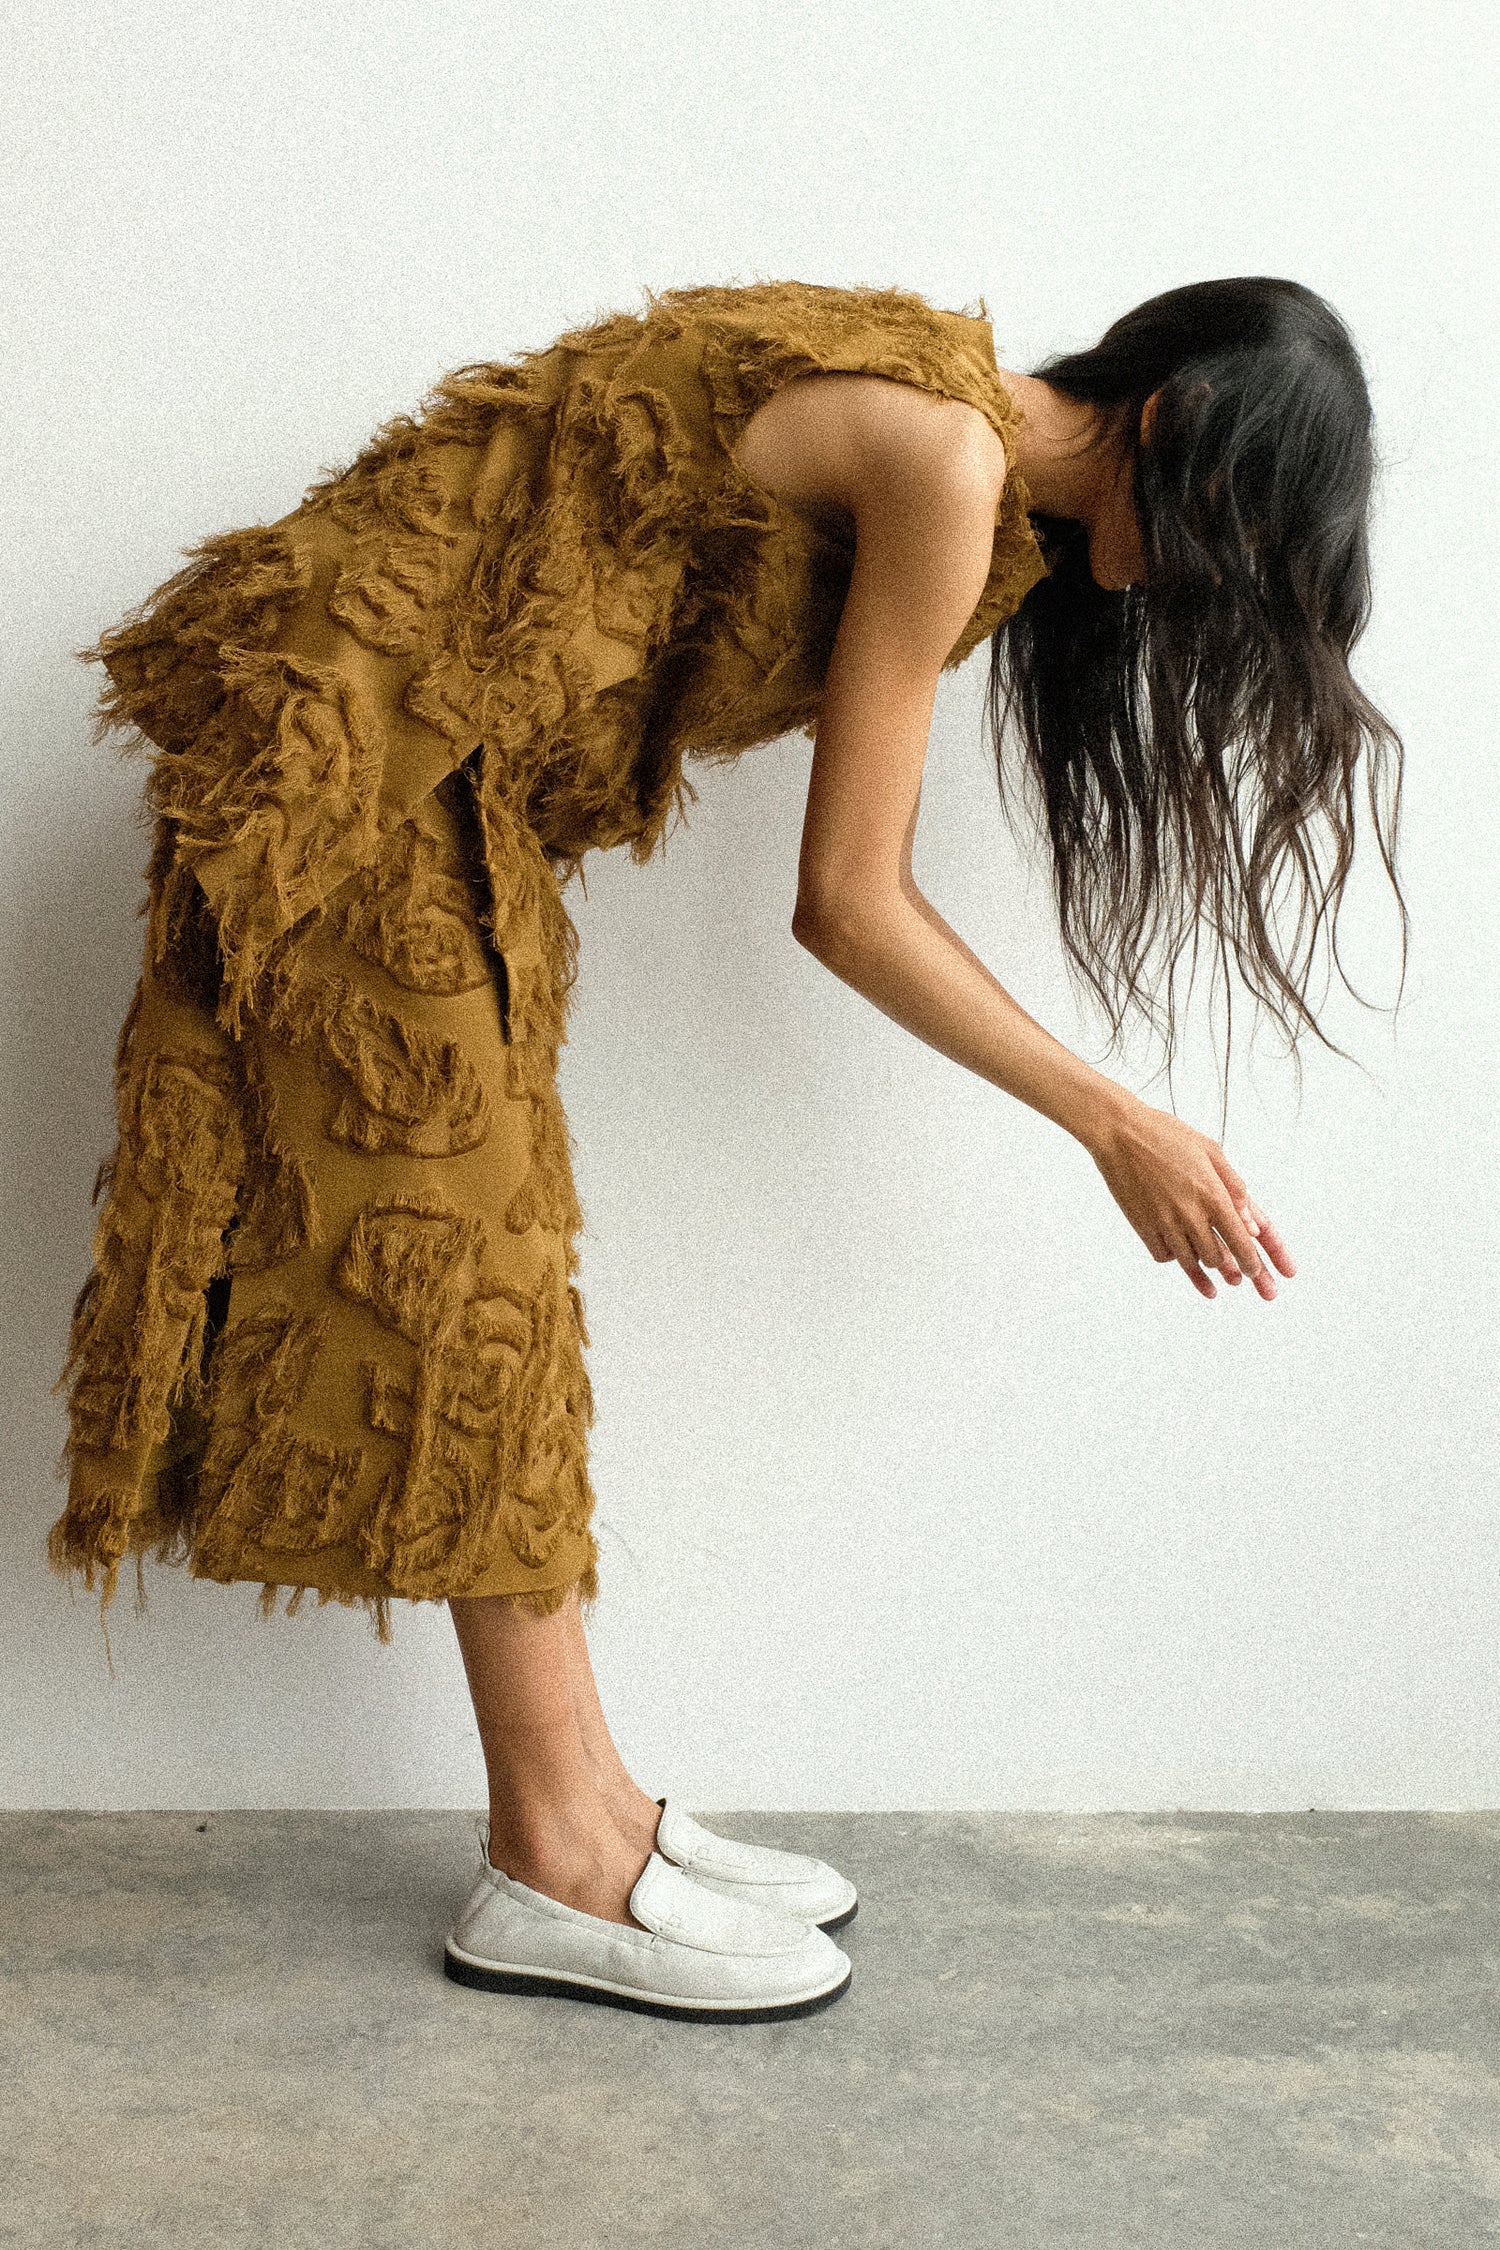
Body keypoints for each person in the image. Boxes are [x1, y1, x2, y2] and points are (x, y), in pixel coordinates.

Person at [49, 276, 1404, 2022]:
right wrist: (1114, 1118)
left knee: (495, 1267)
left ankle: (601, 1810)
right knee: (465, 1287)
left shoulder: (973, 474)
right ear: (1169, 429)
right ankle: (551, 1857)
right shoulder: (951, 458)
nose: (1230, 589)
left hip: (430, 764)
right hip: (359, 751)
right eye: (1248, 532)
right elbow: (847, 903)